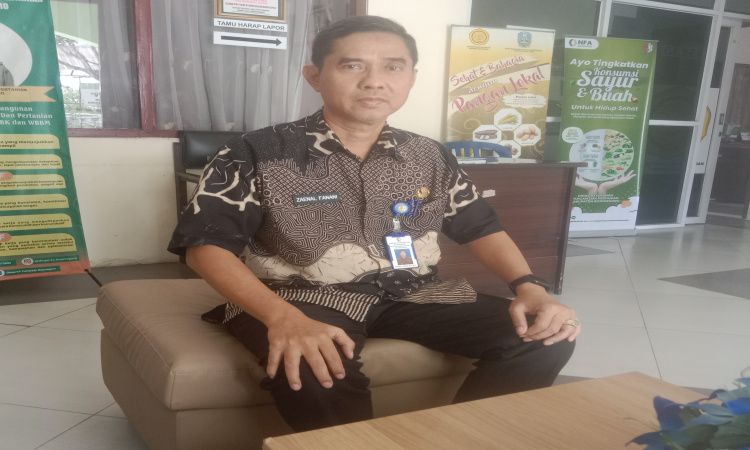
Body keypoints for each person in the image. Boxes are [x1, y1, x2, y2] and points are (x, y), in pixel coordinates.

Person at [168, 15, 580, 432]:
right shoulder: (254, 152)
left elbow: (481, 227)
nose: (374, 81)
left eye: (393, 67)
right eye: (352, 65)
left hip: (412, 292)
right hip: (299, 296)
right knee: (314, 367)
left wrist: (528, 287)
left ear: (412, 77)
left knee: (547, 335)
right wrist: (281, 317)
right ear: (314, 76)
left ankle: (460, 440)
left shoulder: (429, 156)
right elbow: (205, 247)